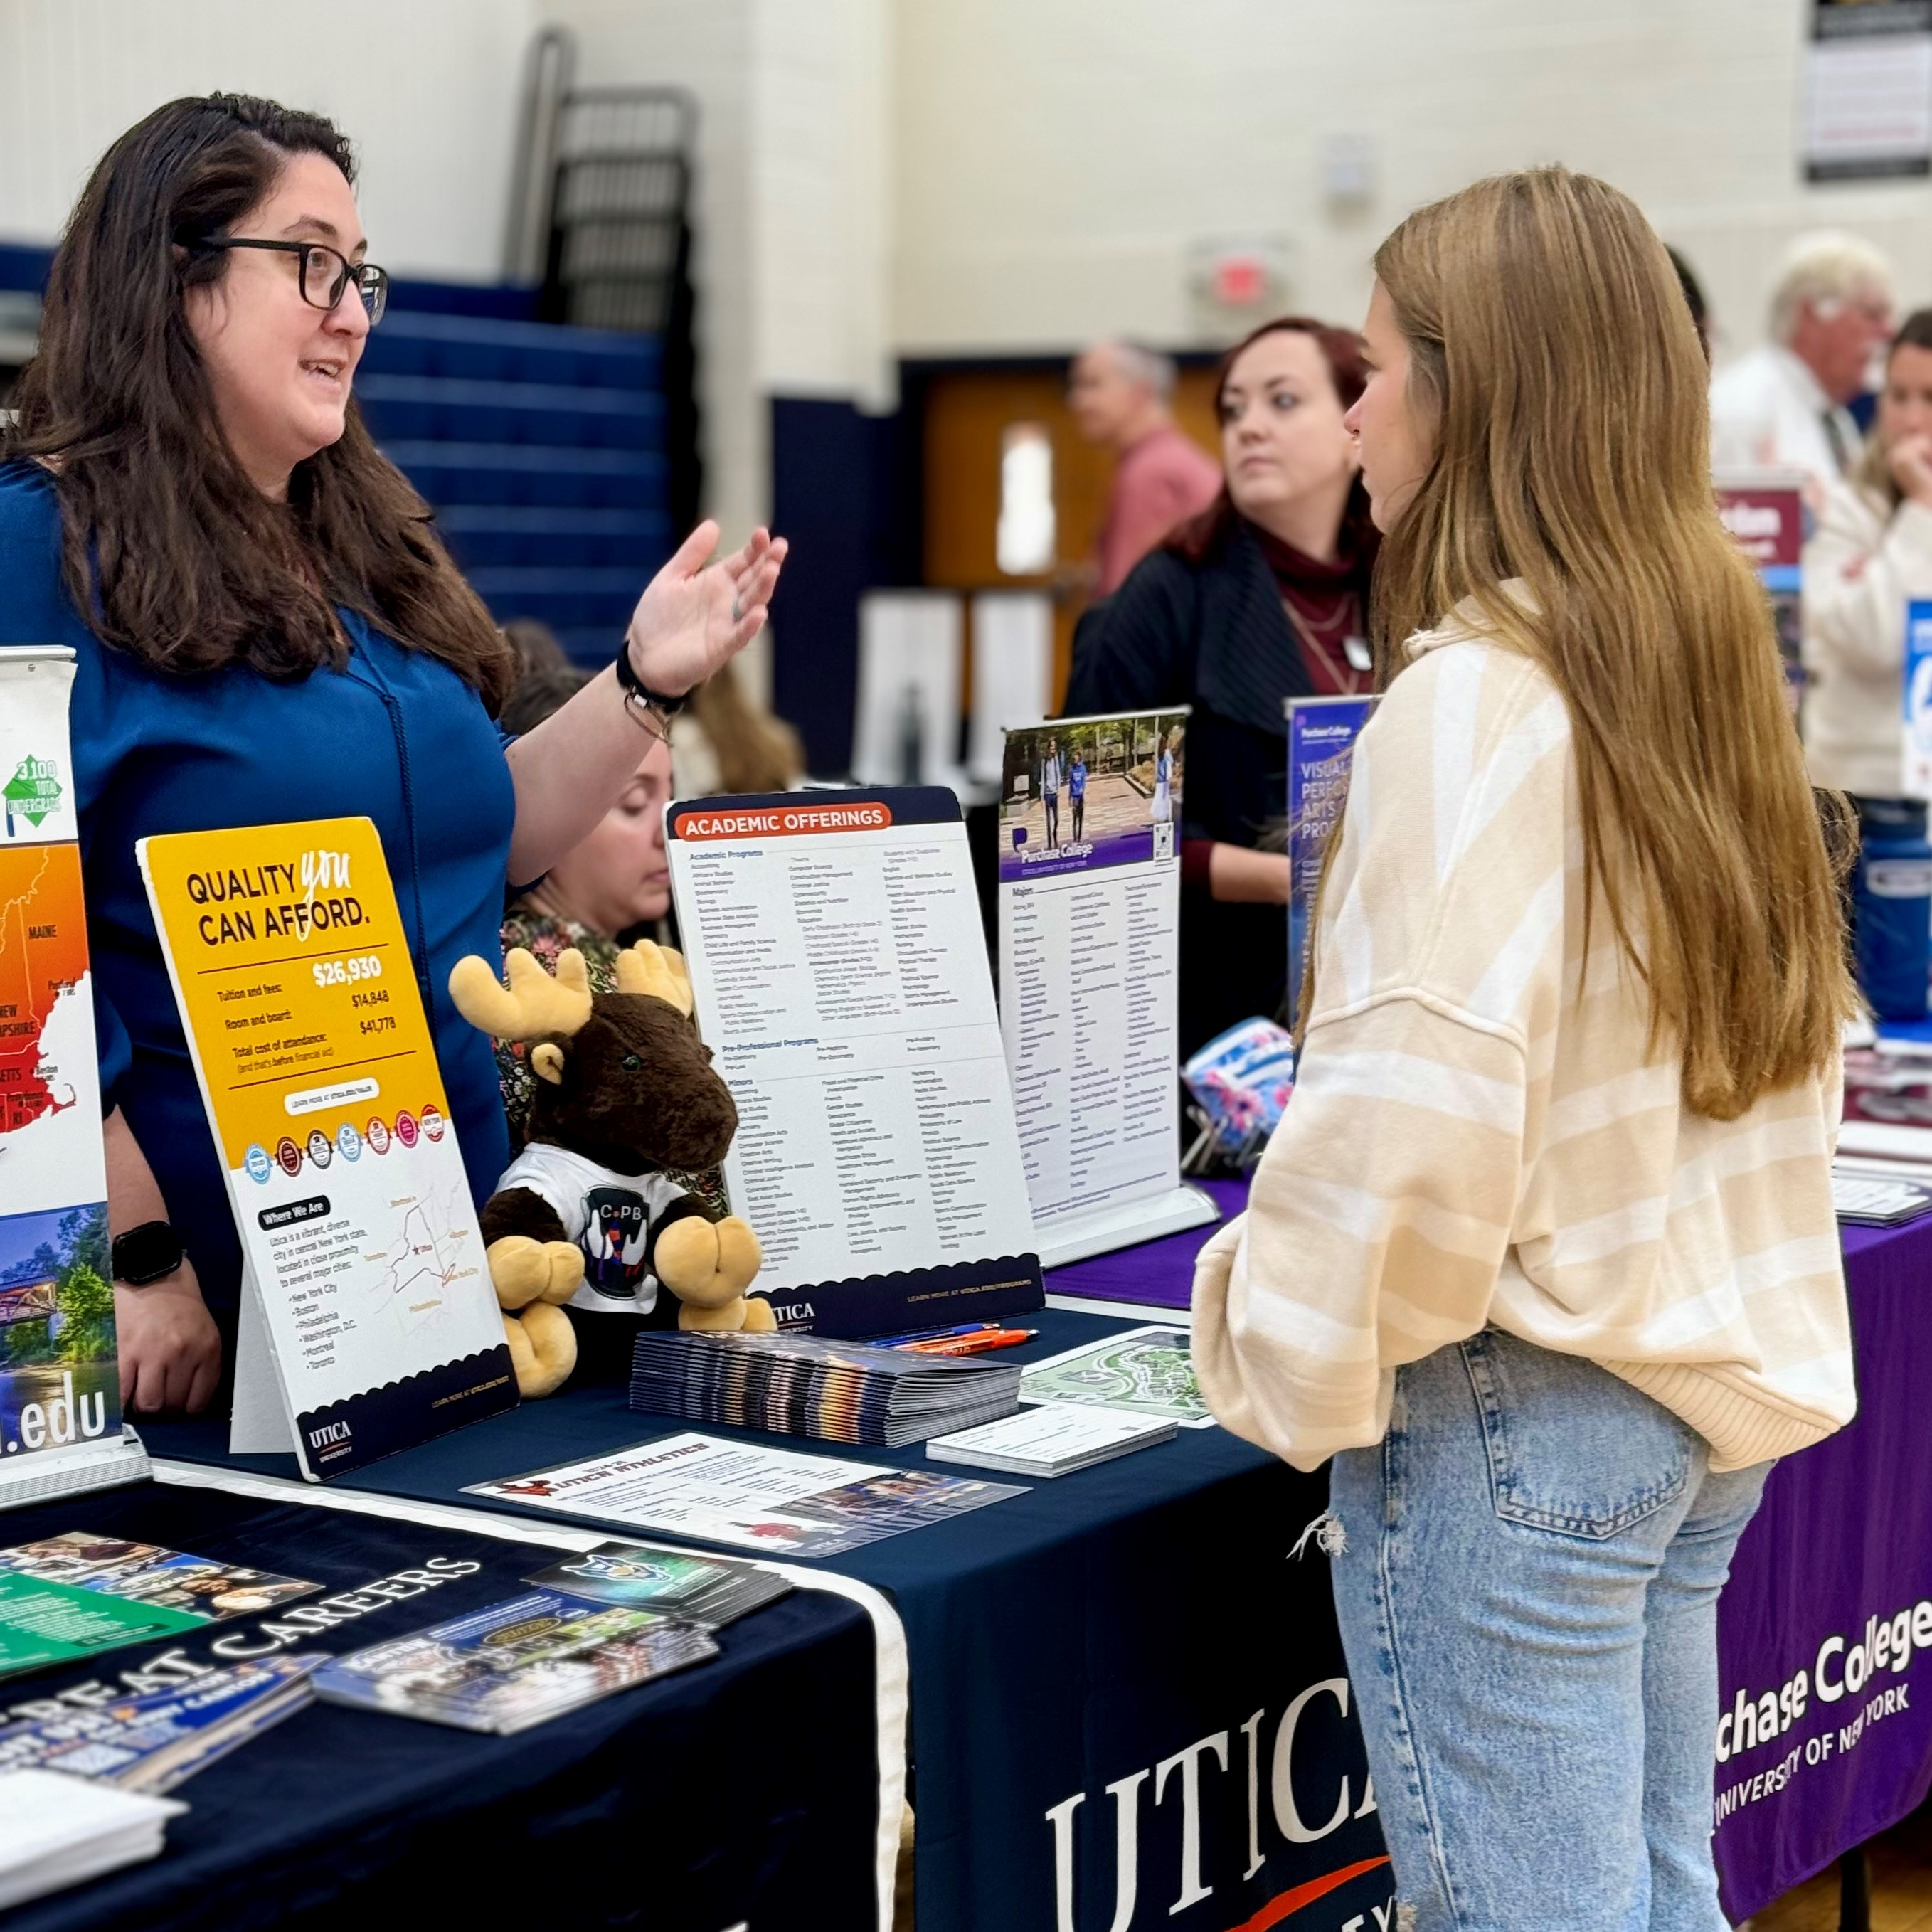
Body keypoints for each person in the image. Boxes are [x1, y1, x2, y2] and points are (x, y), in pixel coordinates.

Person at [1192, 169, 1854, 1931]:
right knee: (1653, 1898)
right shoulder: (1687, 660)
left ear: (1470, 390)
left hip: (1521, 1406)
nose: (1355, 409)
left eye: (1379, 366)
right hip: (1682, 1397)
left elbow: (1412, 1130)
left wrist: (1270, 1352)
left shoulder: (1477, 696)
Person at [0, 95, 785, 1414]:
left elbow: (494, 841)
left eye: (361, 272)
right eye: (310, 262)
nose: (352, 309)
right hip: (197, 1298)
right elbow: (18, 958)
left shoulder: (363, 542)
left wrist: (646, 679)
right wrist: (133, 1257)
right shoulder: (37, 548)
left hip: (442, 1264)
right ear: (176, 281)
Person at [1064, 316, 1376, 1057]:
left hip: (1369, 995)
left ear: (1355, 424)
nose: (1249, 428)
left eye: (1282, 402)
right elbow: (1082, 836)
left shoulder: (1397, 582)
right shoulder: (1167, 594)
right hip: (1212, 1016)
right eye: (1233, 409)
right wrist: (1285, 880)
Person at [1804, 309, 1932, 798]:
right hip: (1858, 791)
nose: (1912, 419)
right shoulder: (1848, 506)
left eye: (1930, 398)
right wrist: (1921, 511)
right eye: (1898, 396)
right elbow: (1873, 640)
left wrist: (1883, 570)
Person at [1709, 231, 1895, 492]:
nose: (1889, 331)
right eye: (1872, 314)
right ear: (1810, 315)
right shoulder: (1743, 409)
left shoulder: (1834, 418)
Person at [1068, 340, 1222, 595]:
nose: (1077, 401)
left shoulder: (1149, 472)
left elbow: (1126, 600)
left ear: (1140, 393)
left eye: (1092, 385)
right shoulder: (1178, 459)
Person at [1039, 736, 1063, 846]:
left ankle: (1055, 835)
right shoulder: (1044, 760)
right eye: (1051, 746)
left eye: (1054, 746)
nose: (1053, 748)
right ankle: (1050, 843)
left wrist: (1059, 788)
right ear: (1048, 748)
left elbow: (1058, 774)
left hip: (1055, 793)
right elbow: (1043, 778)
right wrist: (1041, 796)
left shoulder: (1055, 759)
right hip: (1047, 794)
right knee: (1048, 821)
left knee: (1057, 819)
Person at [1067, 745, 1087, 842]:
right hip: (1074, 796)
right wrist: (1070, 797)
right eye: (1074, 760)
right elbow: (1070, 784)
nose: (1076, 761)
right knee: (1075, 818)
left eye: (1077, 759)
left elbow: (1083, 781)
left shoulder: (1083, 768)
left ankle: (1079, 836)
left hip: (1081, 796)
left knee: (1081, 817)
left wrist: (1082, 789)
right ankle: (1075, 837)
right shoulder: (1071, 770)